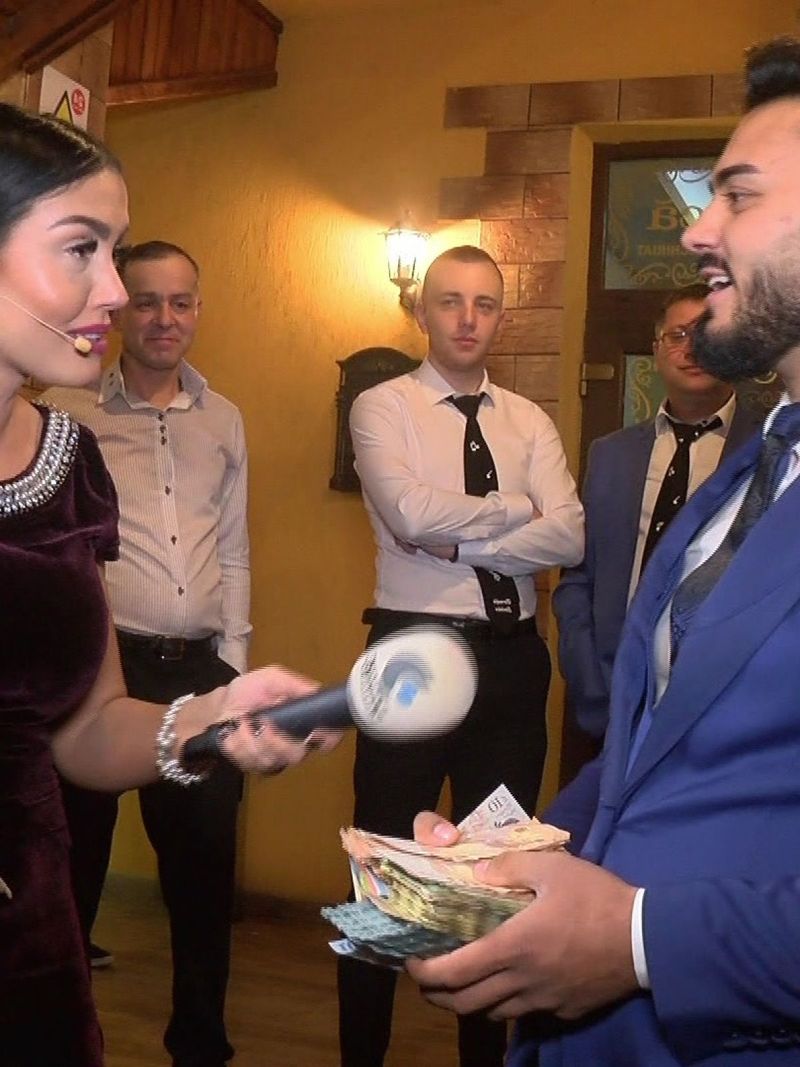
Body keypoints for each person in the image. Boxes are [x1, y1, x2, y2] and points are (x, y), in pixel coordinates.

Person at [405, 35, 800, 1067]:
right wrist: (511, 854)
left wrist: (633, 941)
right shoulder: (753, 465)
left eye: (738, 195)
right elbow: (653, 749)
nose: (697, 228)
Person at [0, 103, 340, 1067]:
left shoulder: (67, 465)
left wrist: (216, 712)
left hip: (33, 953)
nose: (114, 291)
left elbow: (85, 731)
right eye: (82, 248)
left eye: (116, 252)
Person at [339, 245, 583, 1067]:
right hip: (413, 653)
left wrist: (463, 541)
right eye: (450, 301)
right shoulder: (382, 405)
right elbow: (410, 512)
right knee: (383, 869)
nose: (468, 318)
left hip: (513, 664)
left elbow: (570, 534)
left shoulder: (530, 420)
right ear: (422, 311)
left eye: (484, 303)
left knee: (496, 879)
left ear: (502, 317)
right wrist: (516, 513)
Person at [44, 239, 253, 1067]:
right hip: (97, 673)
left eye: (181, 301)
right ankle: (61, 1039)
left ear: (198, 309)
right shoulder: (70, 411)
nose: (165, 317)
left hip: (199, 673)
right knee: (70, 876)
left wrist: (233, 668)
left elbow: (234, 550)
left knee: (203, 880)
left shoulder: (224, 418)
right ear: (118, 308)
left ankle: (200, 1046)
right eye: (146, 300)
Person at [553, 284, 759, 738]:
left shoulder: (770, 452)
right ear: (656, 349)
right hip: (614, 698)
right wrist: (588, 676)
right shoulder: (611, 454)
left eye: (708, 333)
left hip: (723, 707)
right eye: (678, 335)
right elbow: (579, 577)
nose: (693, 349)